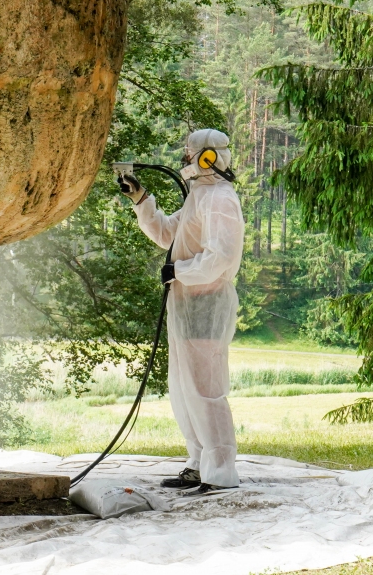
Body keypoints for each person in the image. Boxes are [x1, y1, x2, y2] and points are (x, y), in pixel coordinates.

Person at [117, 128, 245, 495]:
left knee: (206, 390)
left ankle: (219, 472)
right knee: (184, 388)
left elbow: (220, 257)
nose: (184, 159)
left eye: (189, 153)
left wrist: (180, 271)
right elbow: (167, 234)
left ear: (207, 158)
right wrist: (141, 199)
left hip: (205, 301)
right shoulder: (200, 195)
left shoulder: (220, 198)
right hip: (186, 302)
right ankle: (198, 463)